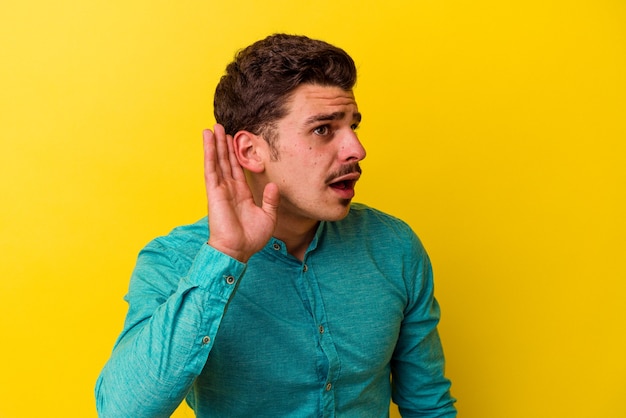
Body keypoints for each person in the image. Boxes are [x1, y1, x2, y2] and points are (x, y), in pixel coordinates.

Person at [95, 33, 456, 417]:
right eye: (323, 129)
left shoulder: (393, 245)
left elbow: (428, 404)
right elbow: (122, 409)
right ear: (251, 151)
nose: (356, 150)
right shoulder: (174, 260)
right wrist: (226, 256)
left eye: (354, 126)